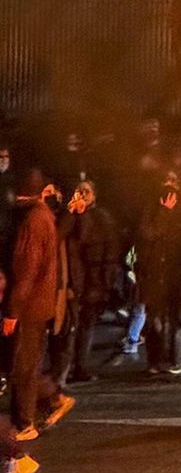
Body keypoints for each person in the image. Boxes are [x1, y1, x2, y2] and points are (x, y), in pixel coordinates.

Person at [4, 170, 75, 441]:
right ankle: (53, 399)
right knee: (25, 363)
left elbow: (26, 270)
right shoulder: (42, 215)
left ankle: (24, 423)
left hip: (29, 305)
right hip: (38, 303)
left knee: (22, 366)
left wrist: (12, 311)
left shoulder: (30, 221)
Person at [57, 181, 120, 383]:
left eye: (87, 191)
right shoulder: (68, 215)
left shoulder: (102, 218)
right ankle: (65, 370)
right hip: (74, 280)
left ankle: (80, 366)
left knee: (86, 326)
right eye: (79, 190)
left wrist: (105, 281)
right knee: (70, 326)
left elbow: (91, 240)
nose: (83, 194)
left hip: (93, 279)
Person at [137, 176, 181, 376]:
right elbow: (147, 234)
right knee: (155, 319)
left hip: (179, 271)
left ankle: (180, 357)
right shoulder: (150, 209)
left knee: (180, 317)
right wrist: (163, 213)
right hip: (156, 272)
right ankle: (156, 360)